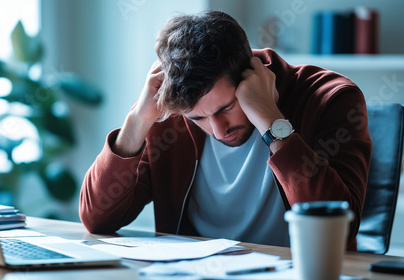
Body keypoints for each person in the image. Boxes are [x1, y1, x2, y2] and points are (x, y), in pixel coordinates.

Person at [79, 11, 372, 250]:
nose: (218, 130)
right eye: (197, 119)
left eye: (225, 108)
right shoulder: (171, 111)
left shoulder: (332, 97)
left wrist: (271, 121)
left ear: (250, 75)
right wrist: (138, 121)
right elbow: (97, 219)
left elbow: (337, 229)